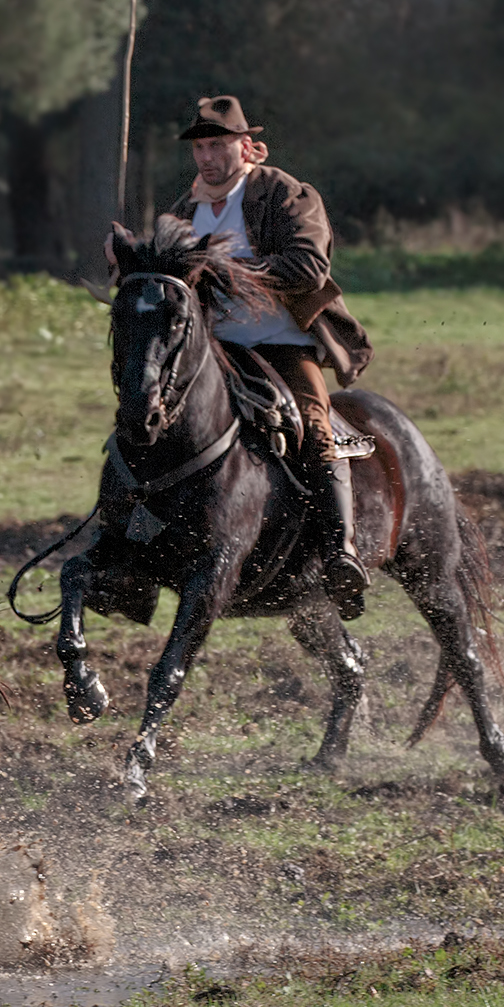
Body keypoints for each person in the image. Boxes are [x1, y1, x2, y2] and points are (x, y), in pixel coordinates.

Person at [170, 94, 374, 620]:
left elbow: (308, 265)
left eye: (218, 145)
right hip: (212, 350)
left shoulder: (284, 193)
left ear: (245, 145)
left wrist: (232, 269)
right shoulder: (183, 210)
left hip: (280, 343)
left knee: (314, 424)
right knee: (154, 416)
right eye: (200, 148)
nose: (207, 157)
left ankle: (340, 551)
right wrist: (125, 256)